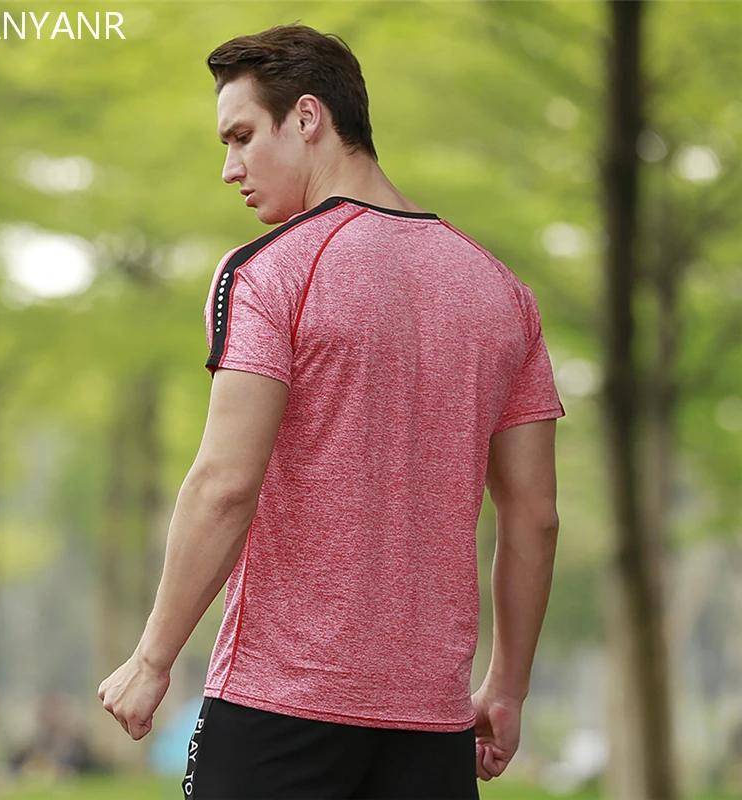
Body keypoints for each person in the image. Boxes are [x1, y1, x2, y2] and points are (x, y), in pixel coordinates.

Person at [98, 23, 565, 800]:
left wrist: (152, 660)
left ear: (308, 117)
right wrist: (507, 687)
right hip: (433, 727)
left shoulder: (268, 271)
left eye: (242, 137)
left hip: (280, 709)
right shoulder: (503, 294)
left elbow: (224, 485)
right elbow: (536, 517)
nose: (229, 168)